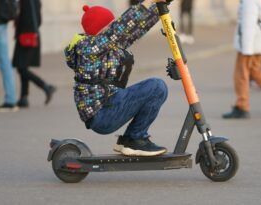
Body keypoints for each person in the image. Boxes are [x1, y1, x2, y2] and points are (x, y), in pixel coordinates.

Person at [64, 0, 168, 156]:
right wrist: (146, 3)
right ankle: (135, 139)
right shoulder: (88, 48)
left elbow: (137, 28)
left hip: (109, 105)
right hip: (102, 114)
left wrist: (161, 6)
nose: (113, 27)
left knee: (157, 87)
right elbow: (119, 29)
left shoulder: (104, 45)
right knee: (157, 87)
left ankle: (129, 140)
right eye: (109, 24)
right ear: (99, 29)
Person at [12, 0, 56, 108]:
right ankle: (24, 98)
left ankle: (46, 86)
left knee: (21, 67)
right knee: (23, 66)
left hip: (26, 36)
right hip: (31, 35)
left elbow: (26, 17)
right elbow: (39, 20)